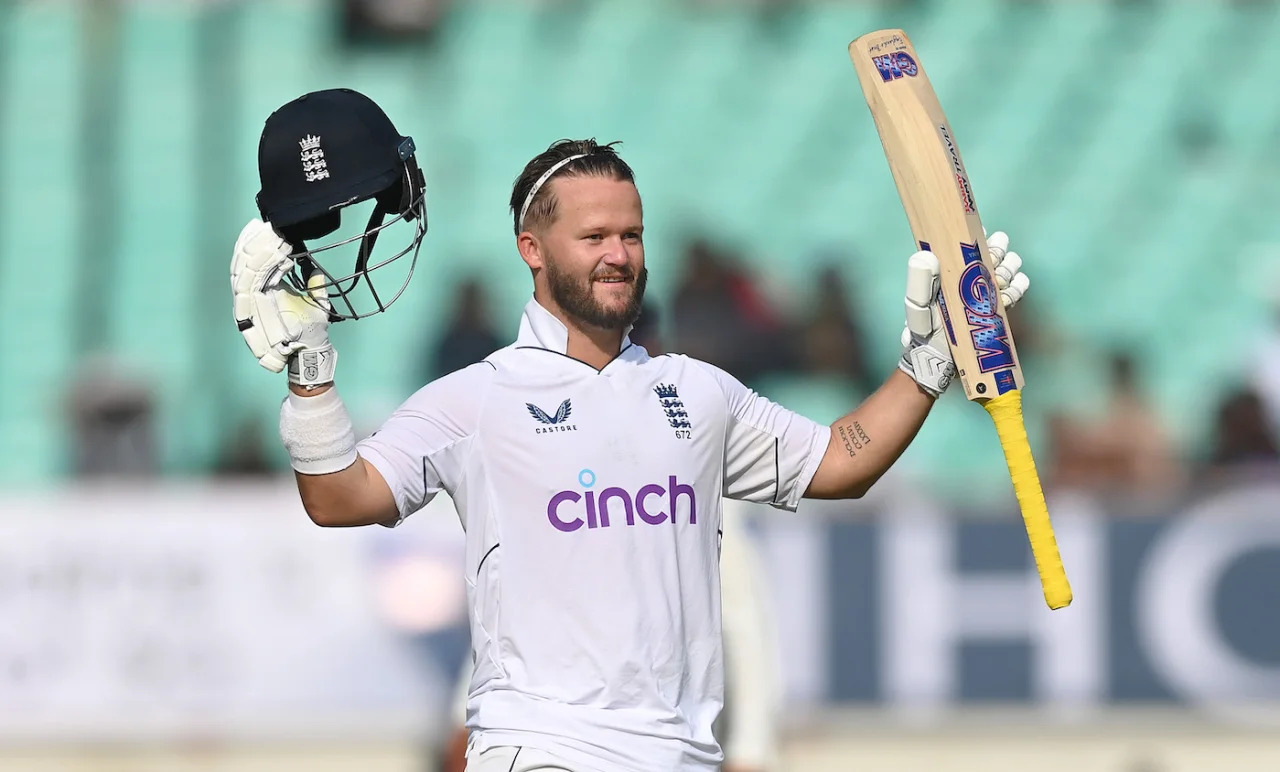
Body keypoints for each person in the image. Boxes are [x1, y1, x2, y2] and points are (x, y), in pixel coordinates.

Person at [231, 120, 1032, 770]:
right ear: (532, 249)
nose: (619, 255)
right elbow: (337, 496)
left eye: (632, 234)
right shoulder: (477, 398)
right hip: (545, 749)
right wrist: (311, 375)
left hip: (681, 753)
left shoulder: (698, 390)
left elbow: (842, 462)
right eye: (594, 237)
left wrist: (928, 362)